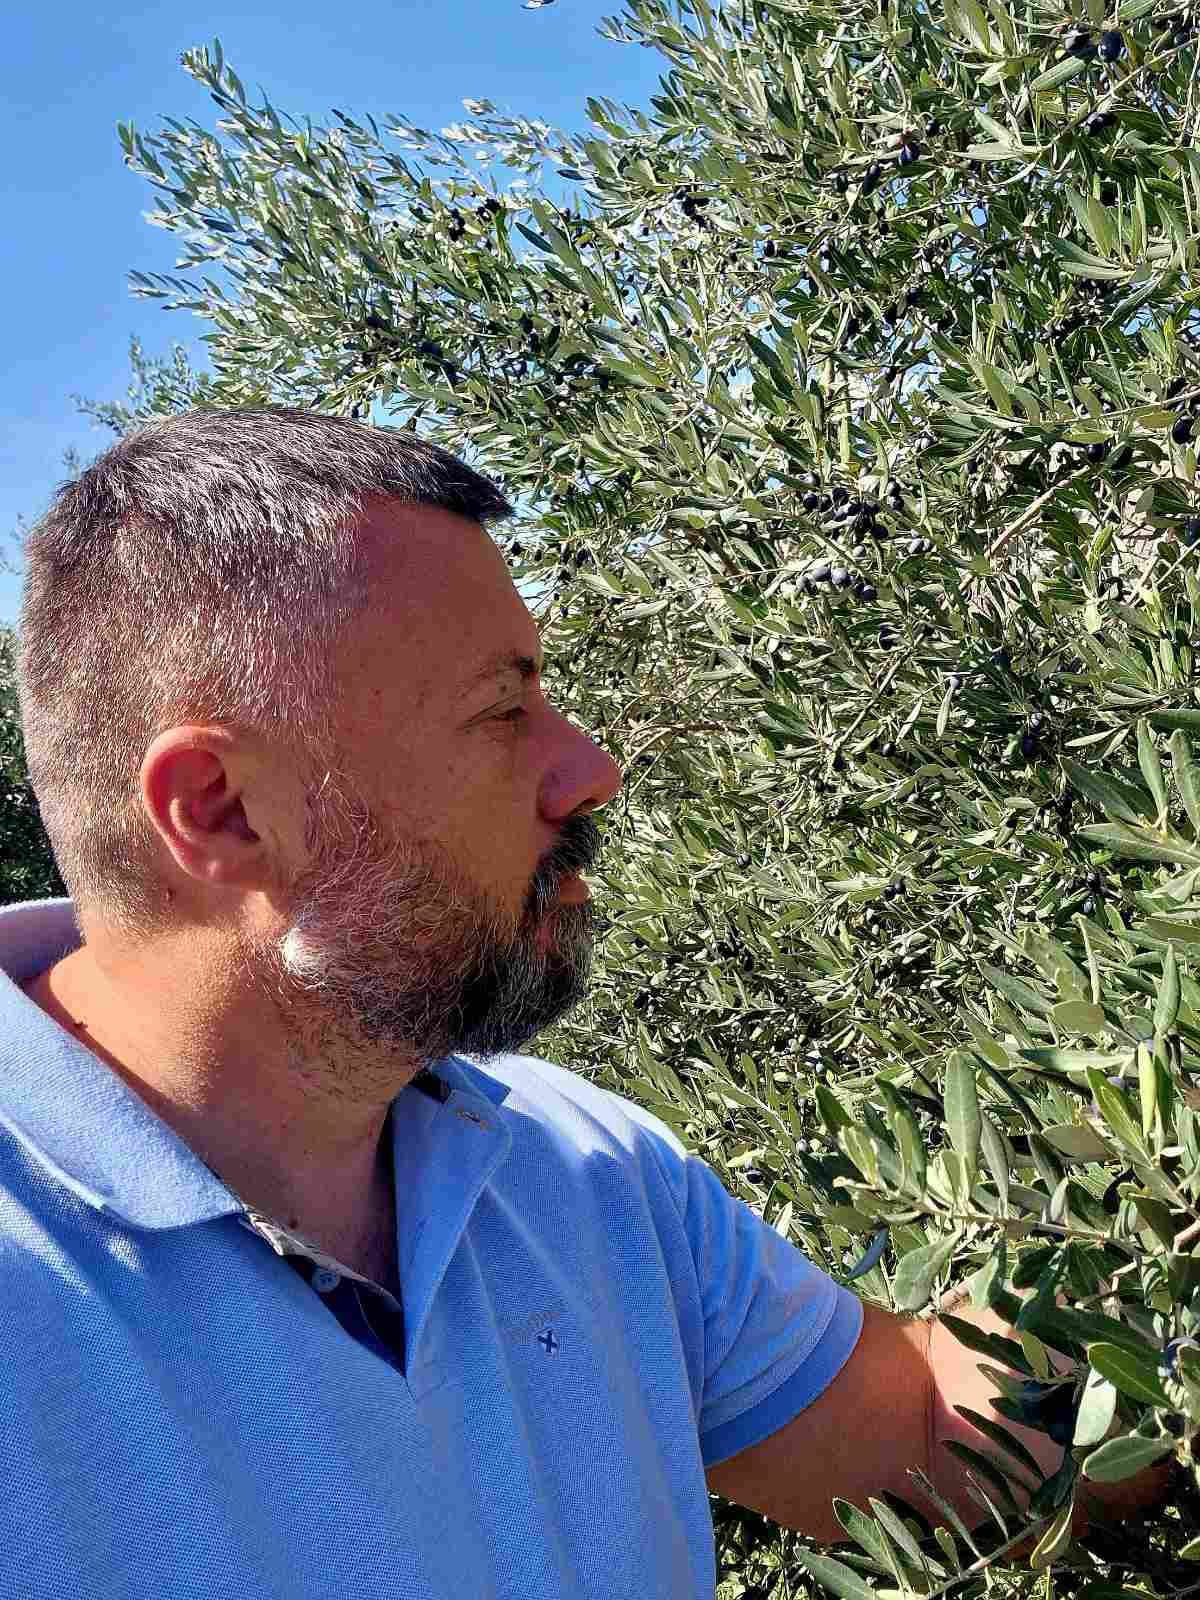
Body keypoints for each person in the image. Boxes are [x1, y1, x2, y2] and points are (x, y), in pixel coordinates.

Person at [1, 408, 1166, 1599]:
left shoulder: (579, 1168)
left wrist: (1166, 1289)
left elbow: (932, 1437)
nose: (590, 770)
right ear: (223, 809)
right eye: (501, 713)